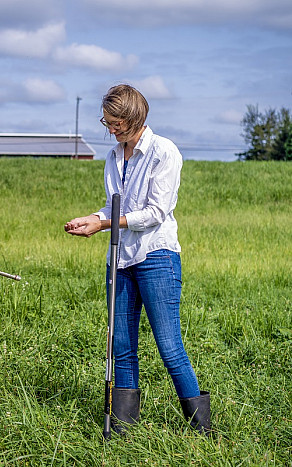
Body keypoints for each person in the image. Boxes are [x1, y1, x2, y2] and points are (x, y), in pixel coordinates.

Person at [64, 84, 210, 435]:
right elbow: (115, 206)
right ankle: (123, 430)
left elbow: (156, 212)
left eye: (115, 122)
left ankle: (201, 430)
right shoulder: (114, 156)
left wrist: (104, 223)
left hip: (156, 255)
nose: (110, 129)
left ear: (133, 119)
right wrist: (93, 219)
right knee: (122, 345)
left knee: (169, 344)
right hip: (120, 258)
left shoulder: (163, 151)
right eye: (107, 121)